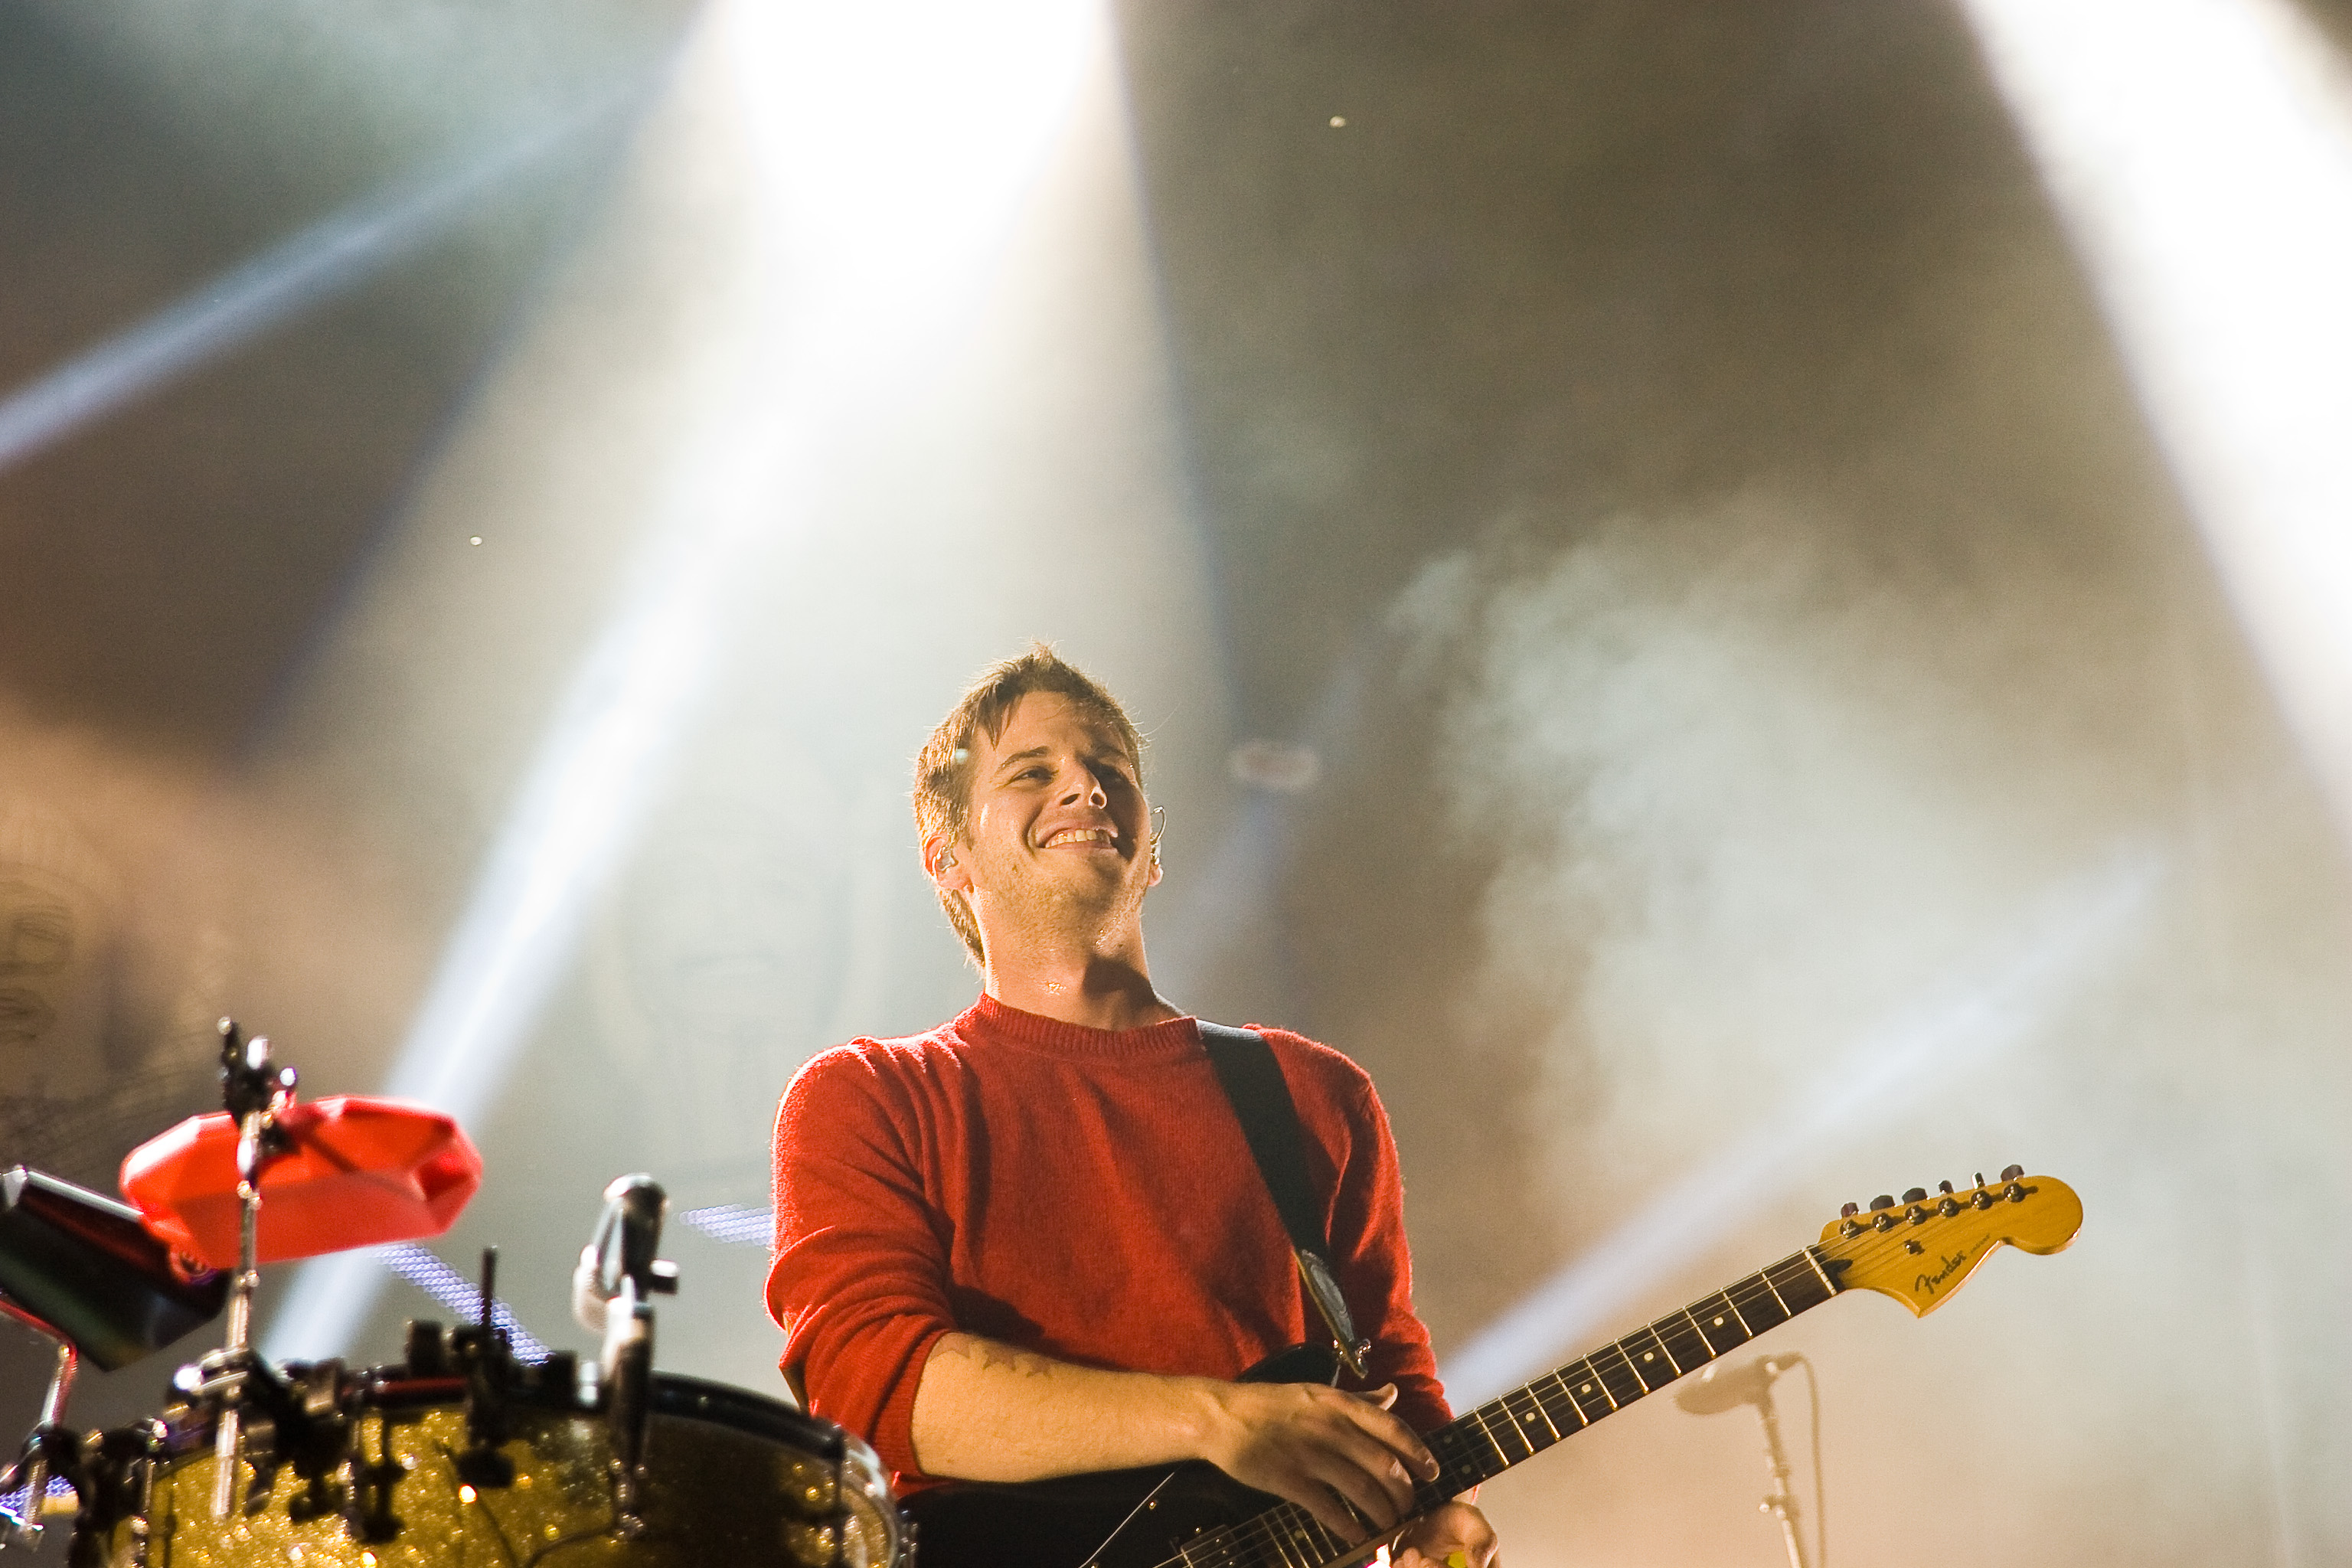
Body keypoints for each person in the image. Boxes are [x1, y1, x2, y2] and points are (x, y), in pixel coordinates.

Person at [766, 648, 1499, 1567]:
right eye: (1032, 771)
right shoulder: (869, 1096)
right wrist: (1212, 1418)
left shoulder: (1314, 1093)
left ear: (1153, 849)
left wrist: (1436, 1517)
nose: (1083, 783)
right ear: (947, 856)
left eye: (1109, 767)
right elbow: (875, 1389)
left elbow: (1390, 1372)